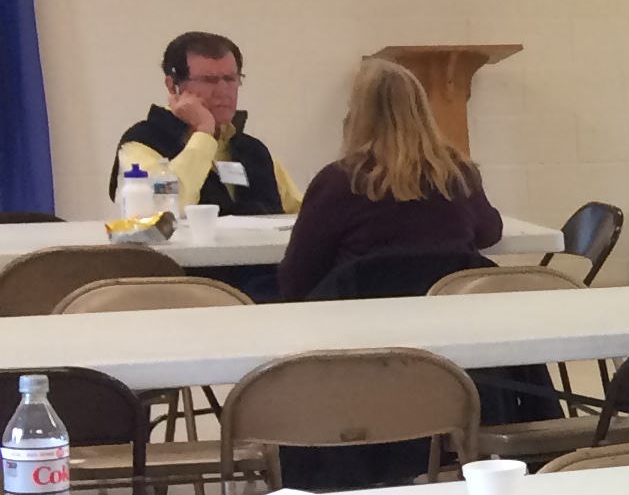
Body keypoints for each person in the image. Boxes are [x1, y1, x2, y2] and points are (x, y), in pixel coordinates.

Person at [272, 58, 502, 300]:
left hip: (358, 328)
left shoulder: (339, 181)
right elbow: (490, 232)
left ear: (357, 116)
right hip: (451, 323)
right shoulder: (457, 175)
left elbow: (297, 277)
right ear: (423, 111)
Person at [115, 30, 295, 217]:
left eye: (230, 79)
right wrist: (204, 132)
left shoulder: (253, 150)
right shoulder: (142, 143)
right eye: (208, 80)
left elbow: (301, 211)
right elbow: (166, 209)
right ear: (172, 86)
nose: (223, 91)